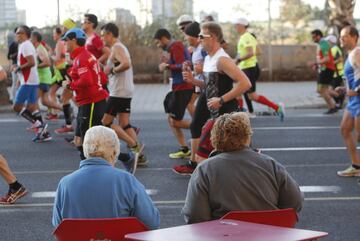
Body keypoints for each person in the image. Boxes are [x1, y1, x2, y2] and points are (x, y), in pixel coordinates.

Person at [182, 112, 303, 224]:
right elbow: (295, 202)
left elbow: (195, 215)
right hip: (269, 234)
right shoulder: (271, 164)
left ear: (214, 139)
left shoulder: (204, 170)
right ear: (247, 137)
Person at [172, 22, 252, 175]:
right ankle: (193, 164)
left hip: (223, 105)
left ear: (213, 37)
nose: (199, 39)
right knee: (195, 126)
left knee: (231, 142)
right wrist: (193, 81)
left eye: (202, 36)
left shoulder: (222, 60)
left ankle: (250, 162)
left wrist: (221, 100)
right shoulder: (209, 58)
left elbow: (245, 83)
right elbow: (209, 84)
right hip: (209, 99)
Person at [52, 126, 160, 229]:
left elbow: (58, 225)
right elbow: (152, 222)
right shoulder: (127, 181)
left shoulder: (65, 184)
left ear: (85, 151)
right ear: (114, 153)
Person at [100, 23, 145, 171]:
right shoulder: (119, 47)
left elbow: (126, 64)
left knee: (106, 122)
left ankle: (134, 145)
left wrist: (112, 70)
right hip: (123, 90)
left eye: (103, 35)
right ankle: (140, 154)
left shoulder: (117, 47)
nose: (102, 38)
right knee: (124, 123)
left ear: (110, 34)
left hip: (118, 92)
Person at [61, 28, 108, 160]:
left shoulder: (81, 58)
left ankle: (123, 158)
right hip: (87, 102)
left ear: (73, 40)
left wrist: (70, 85)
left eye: (66, 40)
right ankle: (87, 168)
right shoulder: (83, 56)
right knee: (78, 141)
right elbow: (103, 78)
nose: (64, 43)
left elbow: (87, 80)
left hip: (92, 102)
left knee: (89, 142)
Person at [233, 18, 285, 121]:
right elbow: (258, 51)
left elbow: (251, 52)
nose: (235, 27)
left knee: (252, 96)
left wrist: (238, 59)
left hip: (248, 68)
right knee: (238, 92)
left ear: (242, 25)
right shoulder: (248, 37)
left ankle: (277, 108)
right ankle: (241, 115)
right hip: (248, 67)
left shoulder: (246, 37)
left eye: (236, 25)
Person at [154, 28, 193, 159]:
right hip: (180, 86)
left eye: (158, 42)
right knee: (171, 119)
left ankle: (205, 130)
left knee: (175, 121)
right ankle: (184, 148)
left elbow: (182, 65)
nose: (158, 45)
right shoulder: (174, 47)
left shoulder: (175, 45)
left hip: (183, 86)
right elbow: (179, 63)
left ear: (164, 38)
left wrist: (166, 66)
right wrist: (168, 62)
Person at [12, 25, 51, 142]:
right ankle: (44, 133)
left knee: (17, 106)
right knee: (32, 107)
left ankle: (38, 124)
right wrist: (19, 73)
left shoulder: (25, 45)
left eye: (19, 33)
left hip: (29, 82)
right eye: (17, 33)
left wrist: (18, 68)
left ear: (25, 35)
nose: (17, 35)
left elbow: (31, 62)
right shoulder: (25, 45)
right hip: (30, 80)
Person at [336, 26, 360, 177]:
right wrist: (345, 89)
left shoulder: (357, 53)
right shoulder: (351, 54)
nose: (341, 39)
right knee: (345, 130)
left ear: (354, 37)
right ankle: (356, 166)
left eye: (344, 36)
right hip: (353, 101)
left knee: (359, 136)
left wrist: (356, 91)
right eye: (340, 37)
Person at [30, 31, 62, 112]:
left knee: (34, 101)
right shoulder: (38, 48)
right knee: (45, 102)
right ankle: (65, 109)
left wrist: (34, 66)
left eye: (31, 38)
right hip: (44, 78)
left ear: (35, 39)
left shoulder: (40, 49)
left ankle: (38, 122)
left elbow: (47, 63)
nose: (30, 40)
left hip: (42, 79)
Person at [310, 29, 338, 114]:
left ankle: (334, 105)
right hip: (324, 69)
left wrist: (315, 63)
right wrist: (317, 65)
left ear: (319, 36)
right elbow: (323, 58)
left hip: (327, 70)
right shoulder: (321, 44)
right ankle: (334, 105)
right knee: (321, 90)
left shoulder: (324, 44)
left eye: (314, 37)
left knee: (322, 90)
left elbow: (327, 59)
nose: (313, 39)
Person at [325, 34, 345, 108]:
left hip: (337, 73)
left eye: (328, 41)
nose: (327, 43)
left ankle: (340, 99)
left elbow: (340, 59)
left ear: (331, 41)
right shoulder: (331, 49)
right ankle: (338, 102)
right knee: (331, 90)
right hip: (333, 74)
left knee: (330, 90)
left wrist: (331, 64)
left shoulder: (335, 48)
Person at [7, 29, 18, 104]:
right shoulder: (13, 44)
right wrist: (17, 53)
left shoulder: (26, 44)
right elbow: (9, 56)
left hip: (25, 67)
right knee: (15, 83)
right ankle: (14, 100)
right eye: (17, 33)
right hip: (15, 66)